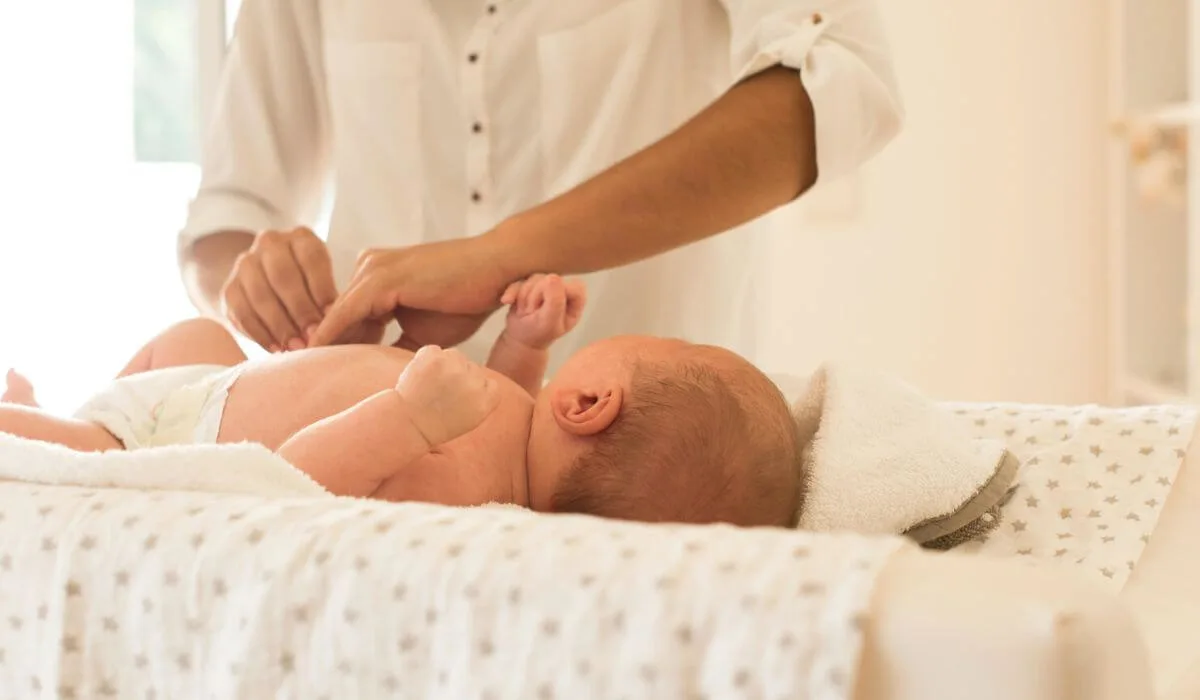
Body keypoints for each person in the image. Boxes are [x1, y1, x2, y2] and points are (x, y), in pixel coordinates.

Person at [178, 0, 903, 370]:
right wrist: (259, 287)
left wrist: (502, 253)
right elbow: (223, 223)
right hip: (383, 499)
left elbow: (839, 84)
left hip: (657, 475)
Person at [0, 276, 803, 527]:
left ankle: (51, 417)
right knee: (194, 332)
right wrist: (522, 344)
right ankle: (68, 404)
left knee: (72, 451)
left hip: (164, 448)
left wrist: (407, 418)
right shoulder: (514, 429)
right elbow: (505, 398)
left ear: (589, 402)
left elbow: (297, 487)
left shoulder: (463, 490)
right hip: (209, 384)